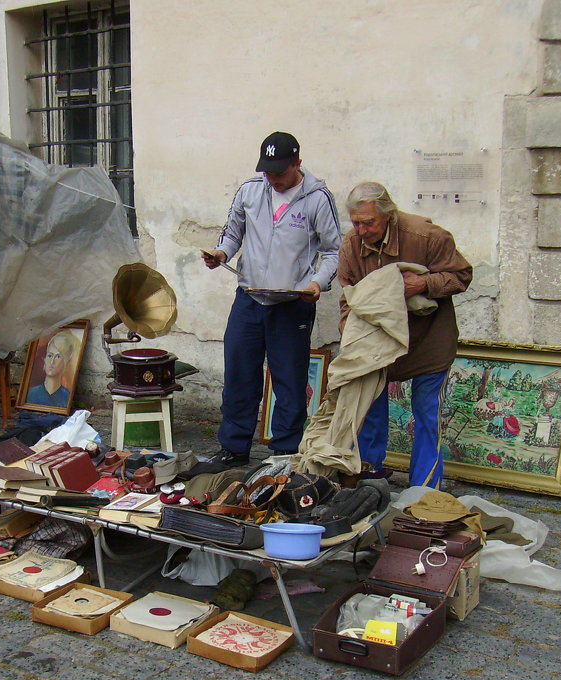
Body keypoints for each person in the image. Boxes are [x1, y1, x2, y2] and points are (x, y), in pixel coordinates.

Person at [202, 132, 341, 468]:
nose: (273, 180)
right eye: (268, 172)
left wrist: (317, 283)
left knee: (289, 380)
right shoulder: (251, 191)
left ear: (298, 164)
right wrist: (221, 253)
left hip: (292, 303)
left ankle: (285, 452)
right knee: (239, 375)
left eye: (280, 173)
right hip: (249, 298)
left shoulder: (318, 198)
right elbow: (232, 232)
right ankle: (234, 448)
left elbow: (335, 251)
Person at [338, 181, 472, 488]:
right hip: (378, 343)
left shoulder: (427, 237)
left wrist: (423, 285)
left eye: (368, 222)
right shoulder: (351, 244)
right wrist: (351, 336)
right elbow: (347, 298)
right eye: (355, 223)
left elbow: (462, 276)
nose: (361, 230)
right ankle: (371, 478)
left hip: (428, 340)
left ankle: (425, 489)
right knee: (369, 409)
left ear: (388, 215)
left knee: (427, 414)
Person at [26, 329, 78, 409]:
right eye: (50, 355)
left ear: (65, 362)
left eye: (58, 356)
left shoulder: (67, 397)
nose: (52, 361)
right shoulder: (30, 394)